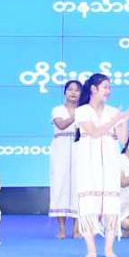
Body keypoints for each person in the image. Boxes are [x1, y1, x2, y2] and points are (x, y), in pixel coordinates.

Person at [73, 72, 129, 257]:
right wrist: (115, 120)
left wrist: (124, 121)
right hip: (88, 162)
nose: (108, 91)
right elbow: (94, 132)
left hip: (109, 161)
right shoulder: (82, 111)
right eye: (105, 87)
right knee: (89, 204)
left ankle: (108, 249)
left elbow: (123, 139)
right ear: (93, 89)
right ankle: (91, 249)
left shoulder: (113, 111)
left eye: (109, 87)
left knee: (110, 205)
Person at [49, 78, 82, 239]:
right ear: (65, 92)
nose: (73, 93)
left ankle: (77, 228)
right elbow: (61, 125)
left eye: (77, 90)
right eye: (70, 89)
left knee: (79, 185)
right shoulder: (57, 109)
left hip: (79, 148)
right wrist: (76, 115)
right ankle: (61, 228)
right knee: (60, 185)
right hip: (61, 149)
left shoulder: (86, 110)